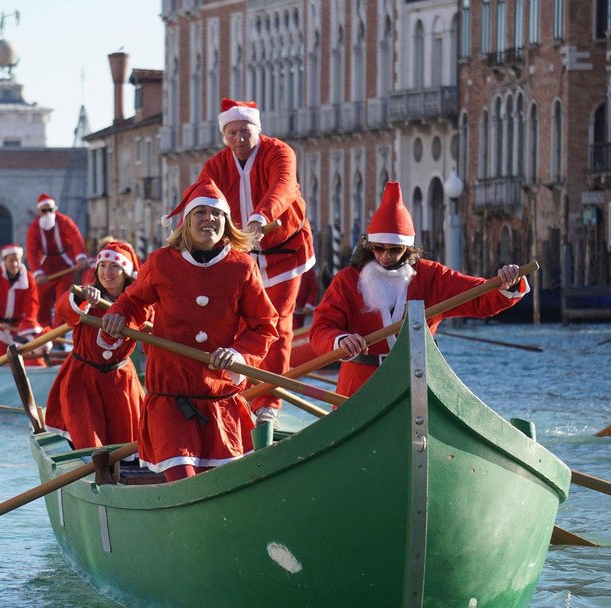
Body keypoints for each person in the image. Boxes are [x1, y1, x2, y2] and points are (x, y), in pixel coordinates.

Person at [102, 179, 278, 483]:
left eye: (217, 213)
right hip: (170, 400)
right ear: (186, 220)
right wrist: (118, 316)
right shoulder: (161, 262)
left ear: (226, 222)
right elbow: (132, 302)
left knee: (224, 484)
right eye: (201, 213)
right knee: (183, 480)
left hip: (219, 399)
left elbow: (265, 326)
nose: (209, 219)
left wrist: (238, 354)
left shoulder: (242, 267)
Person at [310, 182, 529, 398]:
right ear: (369, 246)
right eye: (378, 248)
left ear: (407, 249)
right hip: (359, 388)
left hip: (417, 385)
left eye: (394, 249)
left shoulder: (431, 276)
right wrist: (340, 340)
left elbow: (478, 296)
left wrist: (506, 283)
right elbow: (321, 329)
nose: (385, 256)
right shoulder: (347, 280)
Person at [197, 98, 316, 427]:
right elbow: (202, 199)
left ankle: (269, 402)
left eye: (245, 131)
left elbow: (284, 187)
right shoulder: (215, 166)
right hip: (241, 256)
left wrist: (260, 218)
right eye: (232, 132)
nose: (239, 138)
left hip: (286, 252)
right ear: (224, 135)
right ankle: (238, 394)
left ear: (257, 129)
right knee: (236, 326)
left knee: (276, 325)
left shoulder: (279, 152)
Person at [45, 241, 147, 450]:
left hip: (120, 381)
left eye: (115, 266)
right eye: (102, 266)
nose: (107, 273)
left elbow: (148, 324)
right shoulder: (87, 296)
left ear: (127, 273)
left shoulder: (139, 305)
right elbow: (63, 307)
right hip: (82, 380)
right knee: (88, 442)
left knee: (128, 444)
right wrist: (82, 299)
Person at [0, 244, 49, 362]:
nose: (14, 264)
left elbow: (32, 304)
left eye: (17, 260)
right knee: (1, 360)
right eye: (11, 261)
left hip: (18, 326)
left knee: (31, 355)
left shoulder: (29, 278)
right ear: (4, 261)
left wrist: (28, 326)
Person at [25, 193, 89, 327]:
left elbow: (76, 238)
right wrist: (37, 273)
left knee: (62, 299)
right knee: (42, 300)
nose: (48, 213)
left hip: (65, 265)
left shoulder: (64, 221)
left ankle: (59, 331)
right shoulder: (33, 228)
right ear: (39, 212)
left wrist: (80, 257)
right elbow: (32, 251)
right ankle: (43, 330)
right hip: (45, 268)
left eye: (50, 209)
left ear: (55, 209)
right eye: (44, 210)